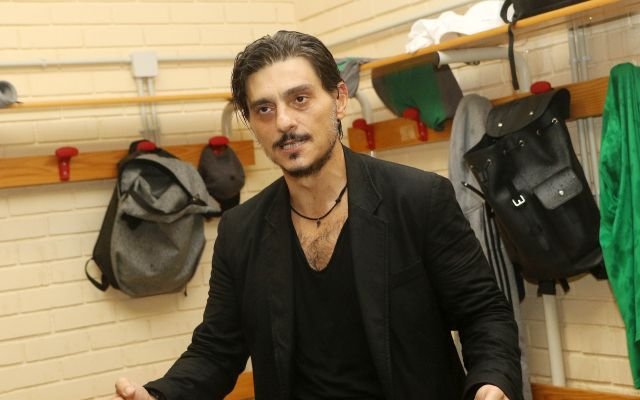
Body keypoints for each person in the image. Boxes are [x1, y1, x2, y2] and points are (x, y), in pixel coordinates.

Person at [113, 30, 522, 400]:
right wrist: (160, 396)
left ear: (339, 99)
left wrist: (491, 381)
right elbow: (217, 349)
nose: (284, 122)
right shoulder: (240, 231)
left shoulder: (417, 199)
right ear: (251, 123)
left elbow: (483, 313)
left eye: (300, 99)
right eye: (264, 109)